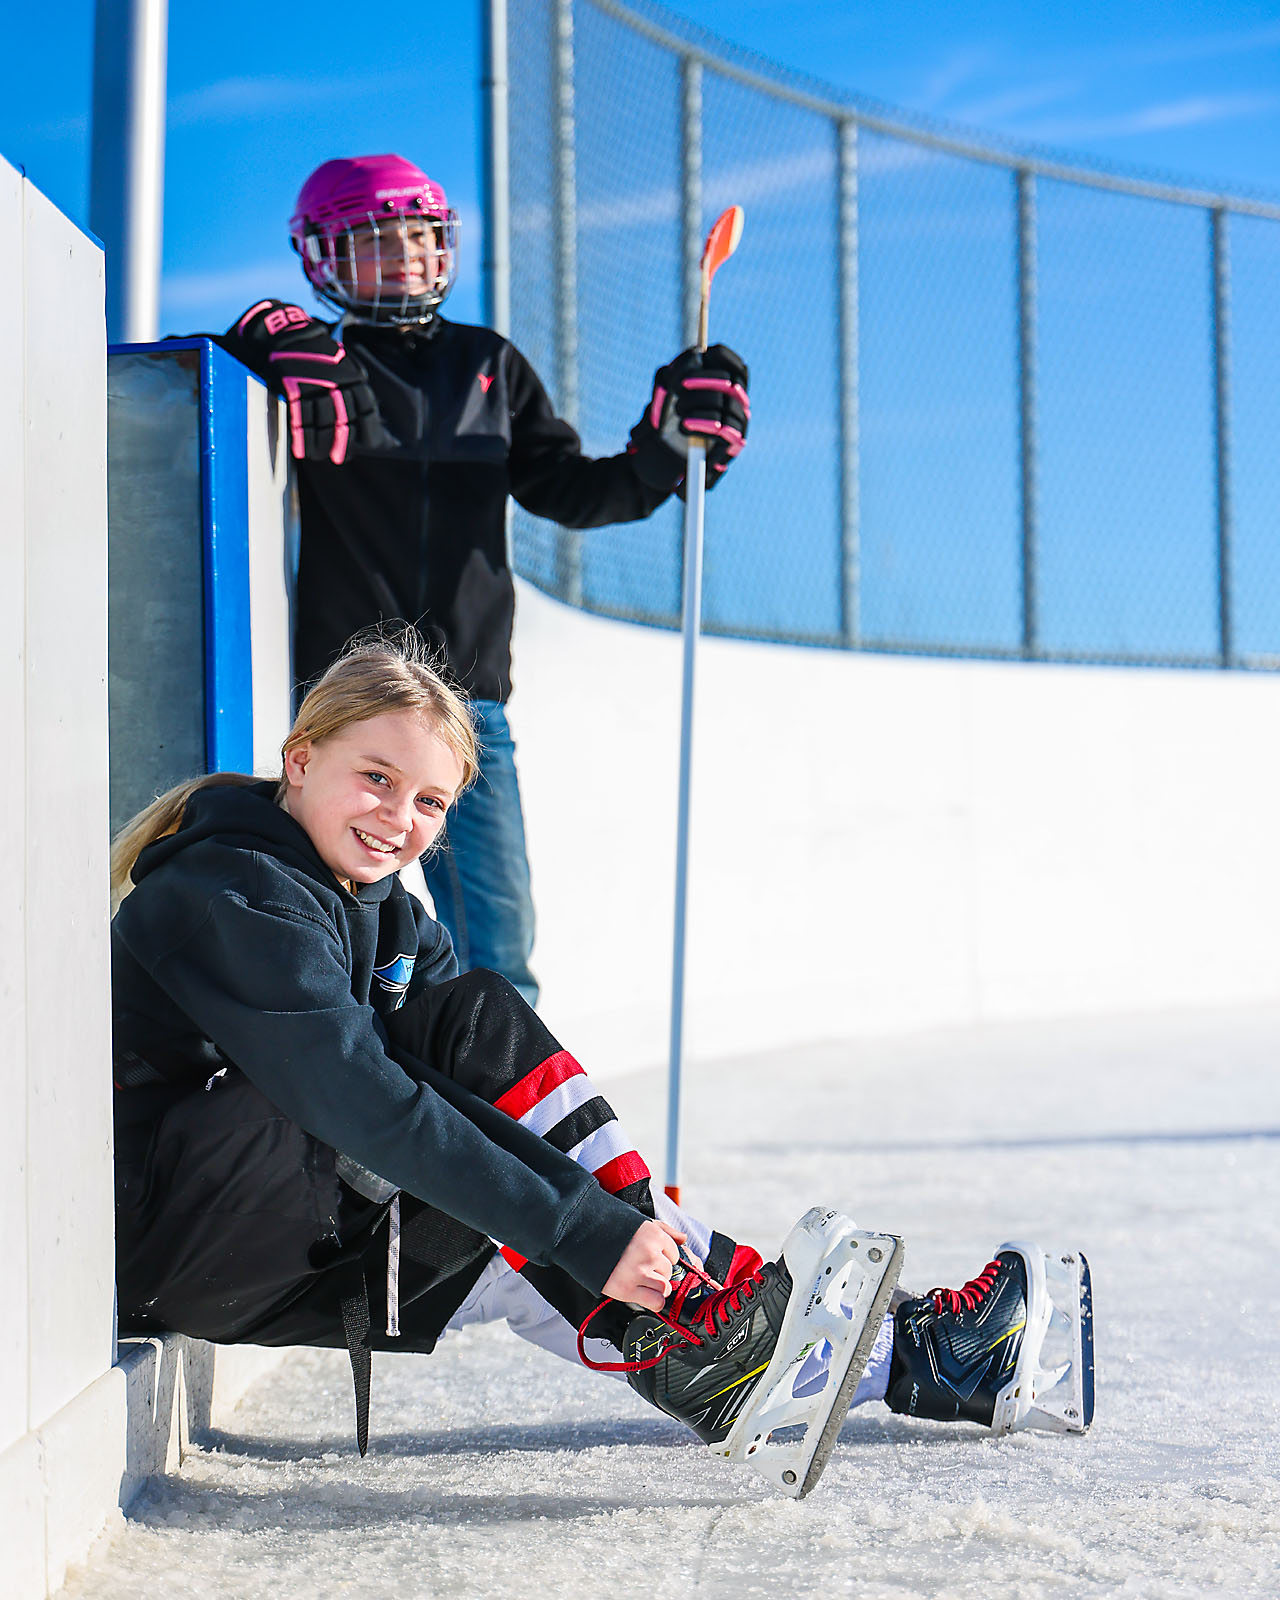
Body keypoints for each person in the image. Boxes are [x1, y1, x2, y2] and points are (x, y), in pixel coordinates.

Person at [110, 635, 1094, 1500]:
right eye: (375, 777)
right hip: (175, 1238)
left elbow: (485, 1094)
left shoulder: (379, 908)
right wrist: (590, 1230)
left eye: (428, 801)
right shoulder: (233, 892)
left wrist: (598, 1234)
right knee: (512, 1173)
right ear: (300, 757)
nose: (397, 817)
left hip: (251, 1228)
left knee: (515, 1204)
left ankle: (883, 1354)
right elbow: (358, 1098)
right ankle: (718, 1326)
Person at [215, 153, 754, 1009]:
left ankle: (507, 1129)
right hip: (345, 705)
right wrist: (257, 330)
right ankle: (335, 1114)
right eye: (377, 239)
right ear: (325, 259)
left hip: (470, 710)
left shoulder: (488, 365)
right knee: (321, 924)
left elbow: (574, 491)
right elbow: (196, 395)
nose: (406, 255)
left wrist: (668, 452)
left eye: (422, 236)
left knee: (499, 951)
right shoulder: (312, 364)